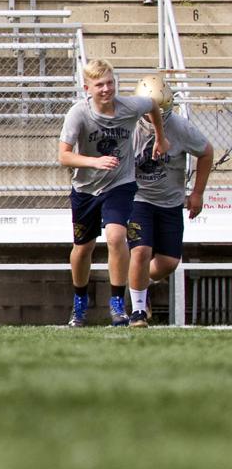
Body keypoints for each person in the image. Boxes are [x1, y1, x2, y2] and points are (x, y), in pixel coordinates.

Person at [57, 58, 168, 327]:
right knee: (83, 248)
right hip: (85, 188)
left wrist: (160, 137)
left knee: (116, 236)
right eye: (99, 85)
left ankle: (118, 304)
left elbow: (153, 105)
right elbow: (64, 156)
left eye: (109, 83)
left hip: (119, 183)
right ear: (87, 88)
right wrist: (94, 162)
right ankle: (79, 302)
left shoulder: (129, 106)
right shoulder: (78, 114)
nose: (106, 89)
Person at [126, 74, 214, 327]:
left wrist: (197, 193)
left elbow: (206, 152)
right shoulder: (128, 126)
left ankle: (140, 285)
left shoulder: (180, 128)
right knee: (141, 251)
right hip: (138, 198)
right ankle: (138, 311)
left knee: (169, 263)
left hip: (170, 201)